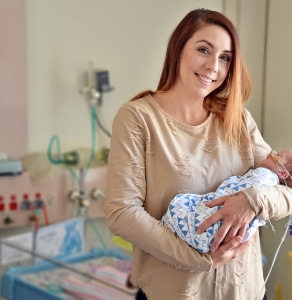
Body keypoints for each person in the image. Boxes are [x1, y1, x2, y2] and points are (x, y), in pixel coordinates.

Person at [104, 8, 292, 300]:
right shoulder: (139, 119)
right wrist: (201, 260)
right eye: (204, 50)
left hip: (246, 293)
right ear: (178, 49)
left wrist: (252, 200)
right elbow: (121, 213)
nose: (213, 66)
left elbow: (284, 188)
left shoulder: (236, 119)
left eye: (225, 58)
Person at [162, 150, 292, 253]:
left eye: (278, 155)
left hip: (220, 224)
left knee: (187, 211)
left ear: (283, 174)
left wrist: (252, 199)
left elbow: (237, 189)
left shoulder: (265, 177)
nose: (272, 151)